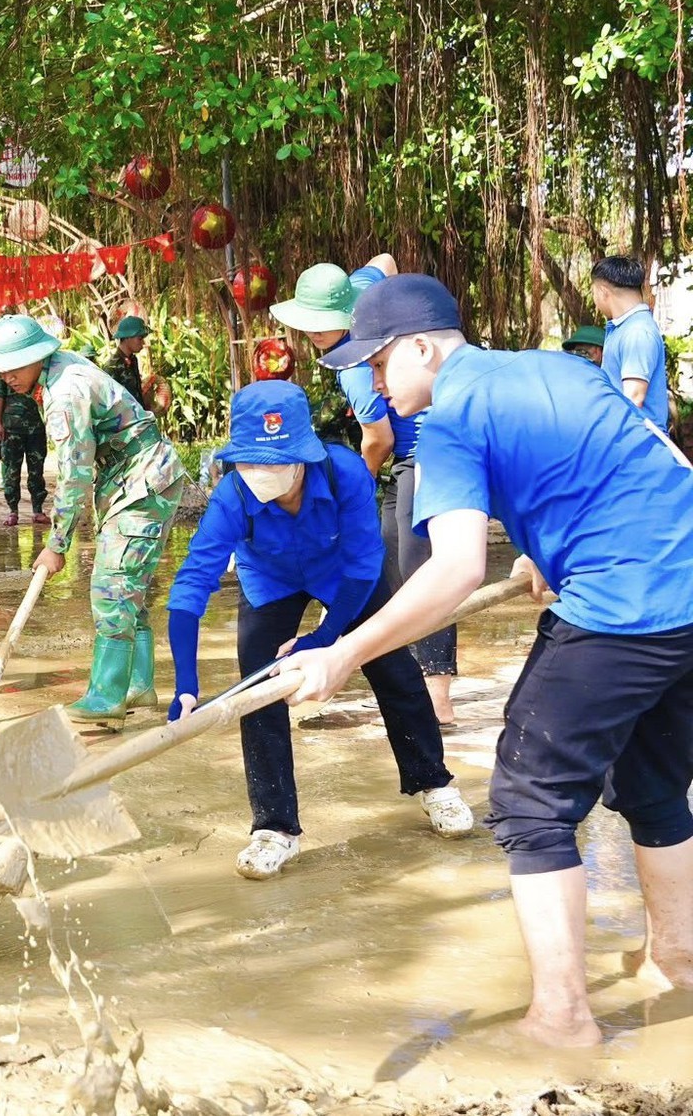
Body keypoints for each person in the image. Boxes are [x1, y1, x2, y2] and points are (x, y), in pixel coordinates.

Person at [282, 273, 693, 1048]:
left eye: (377, 365)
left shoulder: (450, 419)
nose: (368, 385)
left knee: (530, 800)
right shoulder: (558, 367)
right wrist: (548, 551)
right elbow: (657, 458)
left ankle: (564, 1017)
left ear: (424, 348)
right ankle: (678, 961)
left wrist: (344, 654)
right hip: (686, 594)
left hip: (621, 608)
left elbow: (454, 570)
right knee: (654, 785)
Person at [167, 381, 474, 879]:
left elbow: (362, 563)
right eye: (248, 462)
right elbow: (191, 586)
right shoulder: (231, 497)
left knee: (393, 667)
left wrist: (327, 639)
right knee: (261, 691)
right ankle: (274, 828)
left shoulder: (345, 472)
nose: (258, 474)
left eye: (271, 463)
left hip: (344, 578)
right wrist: (185, 682)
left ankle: (433, 784)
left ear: (302, 456)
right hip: (270, 581)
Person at [270, 257, 458, 727]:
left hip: (431, 451)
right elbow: (383, 261)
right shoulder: (360, 289)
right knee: (388, 562)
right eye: (310, 323)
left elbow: (379, 439)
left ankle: (438, 695)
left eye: (324, 324)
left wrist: (356, 489)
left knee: (421, 567)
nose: (316, 332)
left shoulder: (355, 367)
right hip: (407, 460)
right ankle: (406, 673)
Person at [0, 315, 185, 726]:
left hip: (142, 480)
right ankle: (136, 686)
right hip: (133, 476)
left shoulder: (65, 394)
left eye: (14, 367)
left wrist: (57, 545)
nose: (7, 377)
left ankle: (107, 695)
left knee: (112, 588)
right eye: (1, 370)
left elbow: (73, 477)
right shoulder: (60, 366)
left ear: (37, 356)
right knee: (129, 589)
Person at [593, 255, 671, 430]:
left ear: (603, 292)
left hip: (638, 447)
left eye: (593, 292)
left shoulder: (637, 332)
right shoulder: (625, 328)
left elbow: (633, 399)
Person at [0, 369, 49, 527]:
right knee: (12, 470)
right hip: (12, 428)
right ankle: (12, 511)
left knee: (37, 470)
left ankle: (38, 510)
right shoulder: (3, 371)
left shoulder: (35, 369)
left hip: (36, 427)